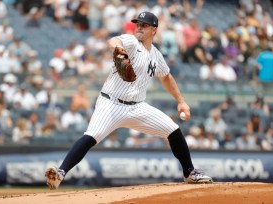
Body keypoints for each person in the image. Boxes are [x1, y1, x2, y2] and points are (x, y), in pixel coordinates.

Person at [45, 11, 213, 190]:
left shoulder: (155, 55)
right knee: (91, 136)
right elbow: (113, 41)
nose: (139, 27)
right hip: (111, 103)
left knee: (173, 131)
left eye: (144, 25)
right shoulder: (132, 42)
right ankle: (60, 174)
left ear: (154, 30)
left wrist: (181, 101)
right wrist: (119, 50)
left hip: (137, 108)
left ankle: (189, 173)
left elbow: (166, 77)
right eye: (137, 24)